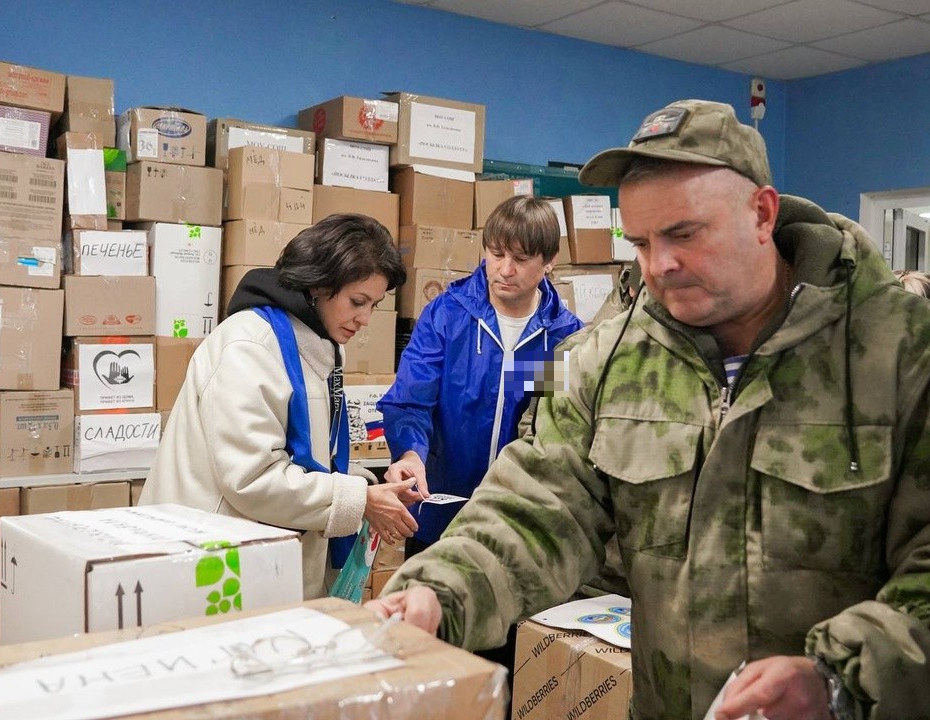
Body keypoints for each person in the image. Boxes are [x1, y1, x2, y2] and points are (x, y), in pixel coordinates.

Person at [367, 100, 930, 719]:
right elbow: (536, 508)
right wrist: (436, 593)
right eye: (640, 241)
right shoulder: (605, 358)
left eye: (684, 234)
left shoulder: (901, 352)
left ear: (763, 214)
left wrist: (839, 679)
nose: (659, 265)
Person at [141, 214, 421, 600]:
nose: (366, 319)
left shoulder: (318, 344)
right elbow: (252, 478)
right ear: (318, 285)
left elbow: (306, 453)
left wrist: (371, 487)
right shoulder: (250, 346)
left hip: (262, 557)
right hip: (215, 565)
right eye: (358, 302)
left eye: (374, 304)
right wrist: (360, 501)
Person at [377, 194, 583, 558]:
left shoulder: (563, 337)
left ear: (549, 262)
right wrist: (410, 454)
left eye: (520, 259)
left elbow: (552, 430)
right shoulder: (447, 316)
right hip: (439, 516)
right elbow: (411, 400)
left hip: (516, 525)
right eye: (497, 254)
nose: (505, 269)